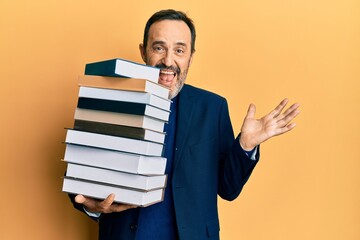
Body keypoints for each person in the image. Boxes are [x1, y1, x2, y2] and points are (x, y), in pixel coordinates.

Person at [69, 9, 300, 240]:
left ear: (190, 56)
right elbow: (81, 179)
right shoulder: (110, 100)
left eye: (179, 50)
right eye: (159, 48)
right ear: (143, 51)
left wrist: (245, 146)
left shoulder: (213, 108)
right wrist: (92, 207)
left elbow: (228, 189)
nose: (168, 61)